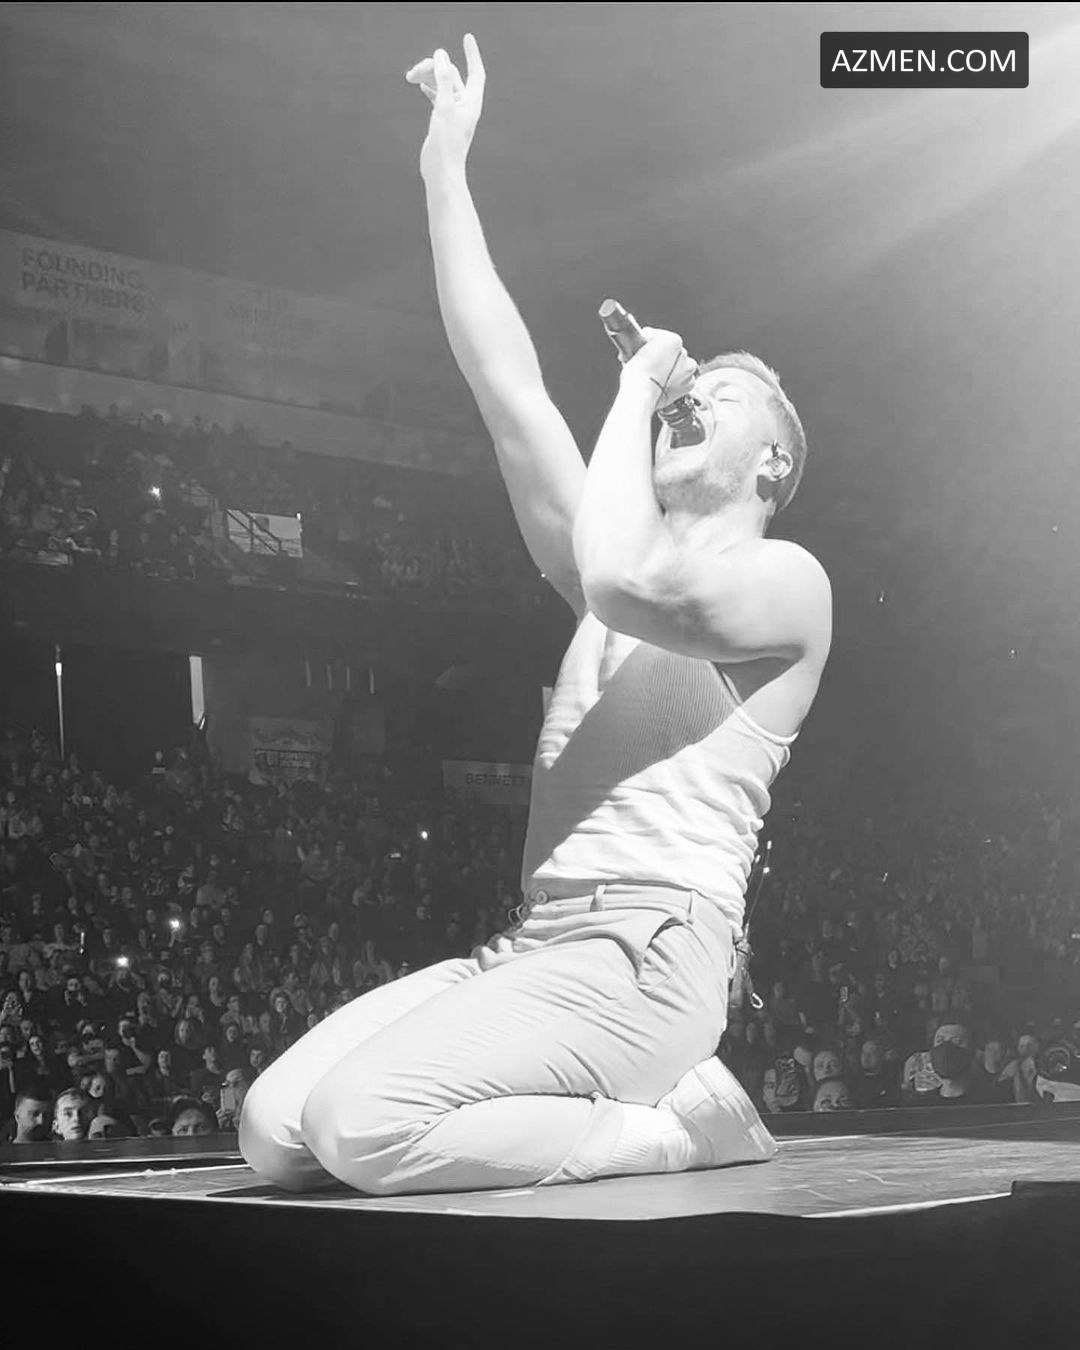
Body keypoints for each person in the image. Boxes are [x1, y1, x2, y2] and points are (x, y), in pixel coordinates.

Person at [240, 33, 831, 1197]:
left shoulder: (787, 585)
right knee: (276, 1129)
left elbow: (618, 579)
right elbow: (504, 381)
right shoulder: (616, 555)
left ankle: (681, 1127)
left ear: (773, 466)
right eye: (692, 387)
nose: (692, 397)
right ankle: (640, 1106)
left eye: (724, 398)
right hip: (540, 942)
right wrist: (444, 168)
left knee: (362, 1127)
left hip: (648, 951)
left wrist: (637, 386)